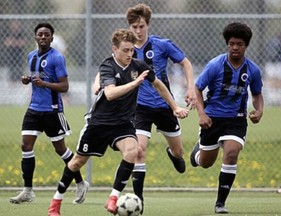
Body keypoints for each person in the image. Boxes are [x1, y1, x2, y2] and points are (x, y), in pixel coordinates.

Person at [47, 28, 189, 216]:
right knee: (76, 163)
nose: (129, 54)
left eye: (132, 50)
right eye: (125, 50)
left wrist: (174, 107)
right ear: (114, 49)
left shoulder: (138, 65)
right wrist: (134, 83)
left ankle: (113, 198)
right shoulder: (108, 66)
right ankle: (56, 202)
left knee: (133, 151)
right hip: (99, 123)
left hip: (122, 123)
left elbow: (159, 85)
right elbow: (110, 93)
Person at [125, 3, 197, 212]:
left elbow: (186, 62)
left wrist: (191, 87)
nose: (137, 31)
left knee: (179, 150)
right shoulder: (126, 49)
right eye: (134, 27)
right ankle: (138, 201)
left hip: (165, 105)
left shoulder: (162, 45)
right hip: (140, 107)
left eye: (141, 26)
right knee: (139, 150)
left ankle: (173, 154)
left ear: (147, 25)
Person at [9, 23, 89, 204]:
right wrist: (27, 80)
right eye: (40, 34)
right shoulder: (31, 56)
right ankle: (28, 190)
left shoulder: (57, 58)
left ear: (52, 38)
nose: (43, 37)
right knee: (25, 145)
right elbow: (37, 78)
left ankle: (81, 183)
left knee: (60, 149)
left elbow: (64, 86)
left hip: (52, 110)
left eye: (47, 35)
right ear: (35, 38)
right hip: (34, 109)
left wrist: (44, 84)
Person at [190, 22, 264, 214]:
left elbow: (257, 94)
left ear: (245, 45)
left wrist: (259, 110)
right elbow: (198, 88)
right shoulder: (215, 65)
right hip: (212, 119)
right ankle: (196, 155)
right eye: (231, 44)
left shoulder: (252, 70)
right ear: (227, 44)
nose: (235, 48)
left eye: (239, 44)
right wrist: (202, 114)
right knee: (206, 163)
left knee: (231, 154)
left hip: (236, 119)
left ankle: (220, 203)